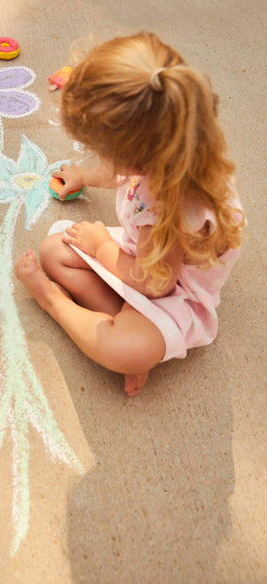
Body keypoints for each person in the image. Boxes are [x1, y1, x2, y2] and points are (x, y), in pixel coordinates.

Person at [15, 31, 245, 396]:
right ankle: (124, 318)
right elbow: (121, 172)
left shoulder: (168, 204)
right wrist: (83, 175)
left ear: (138, 158)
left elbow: (157, 284)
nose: (97, 158)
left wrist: (102, 246)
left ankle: (54, 302)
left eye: (99, 152)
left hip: (169, 287)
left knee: (125, 351)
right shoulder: (174, 141)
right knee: (54, 251)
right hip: (145, 257)